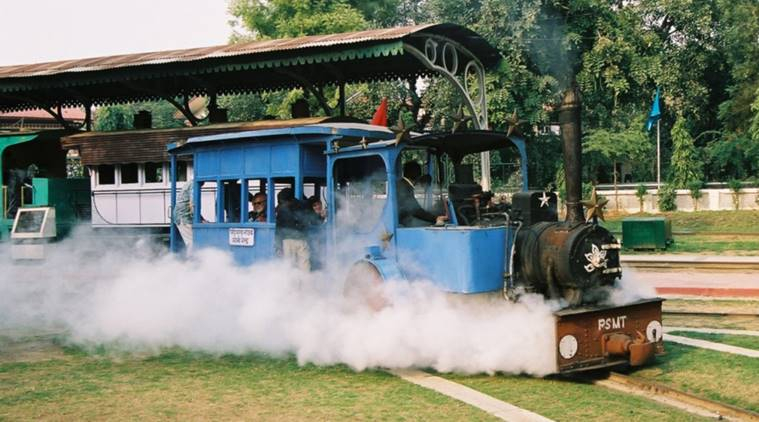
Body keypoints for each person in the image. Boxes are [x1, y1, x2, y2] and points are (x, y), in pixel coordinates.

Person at [397, 161, 447, 227]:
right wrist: (435, 218)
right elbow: (416, 210)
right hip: (402, 223)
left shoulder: (402, 184)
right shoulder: (404, 187)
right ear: (417, 176)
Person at [275, 188, 311, 271]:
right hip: (301, 239)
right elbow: (312, 219)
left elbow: (278, 228)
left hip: (287, 240)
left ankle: (292, 283)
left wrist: (278, 245)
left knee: (290, 266)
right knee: (304, 265)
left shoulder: (281, 210)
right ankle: (306, 282)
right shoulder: (303, 205)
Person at [174, 180, 195, 250]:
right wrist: (199, 218)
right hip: (184, 217)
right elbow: (192, 203)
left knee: (191, 241)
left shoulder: (188, 184)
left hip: (181, 216)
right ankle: (192, 259)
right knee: (192, 242)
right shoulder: (193, 185)